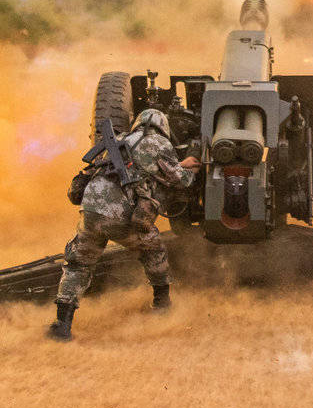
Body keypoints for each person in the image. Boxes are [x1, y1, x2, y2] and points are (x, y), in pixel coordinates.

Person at [49, 108, 201, 341]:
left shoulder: (117, 140)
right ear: (164, 126)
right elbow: (179, 180)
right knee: (154, 251)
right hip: (122, 215)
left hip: (90, 210)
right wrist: (192, 169)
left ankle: (62, 325)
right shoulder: (159, 142)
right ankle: (162, 304)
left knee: (78, 263)